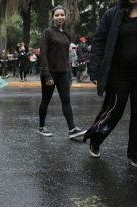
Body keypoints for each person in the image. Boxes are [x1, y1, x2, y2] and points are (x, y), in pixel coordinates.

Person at [83, 0, 137, 167]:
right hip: (117, 74)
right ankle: (95, 138)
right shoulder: (112, 14)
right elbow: (98, 42)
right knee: (114, 111)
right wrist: (94, 70)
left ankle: (134, 154)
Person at [37, 5, 86, 139]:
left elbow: (67, 56)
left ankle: (72, 129)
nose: (60, 17)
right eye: (57, 15)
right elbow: (44, 54)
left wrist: (69, 75)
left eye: (62, 15)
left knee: (66, 100)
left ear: (65, 16)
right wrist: (46, 74)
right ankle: (41, 127)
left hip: (63, 73)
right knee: (45, 101)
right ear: (53, 17)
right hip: (50, 73)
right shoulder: (48, 32)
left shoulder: (66, 34)